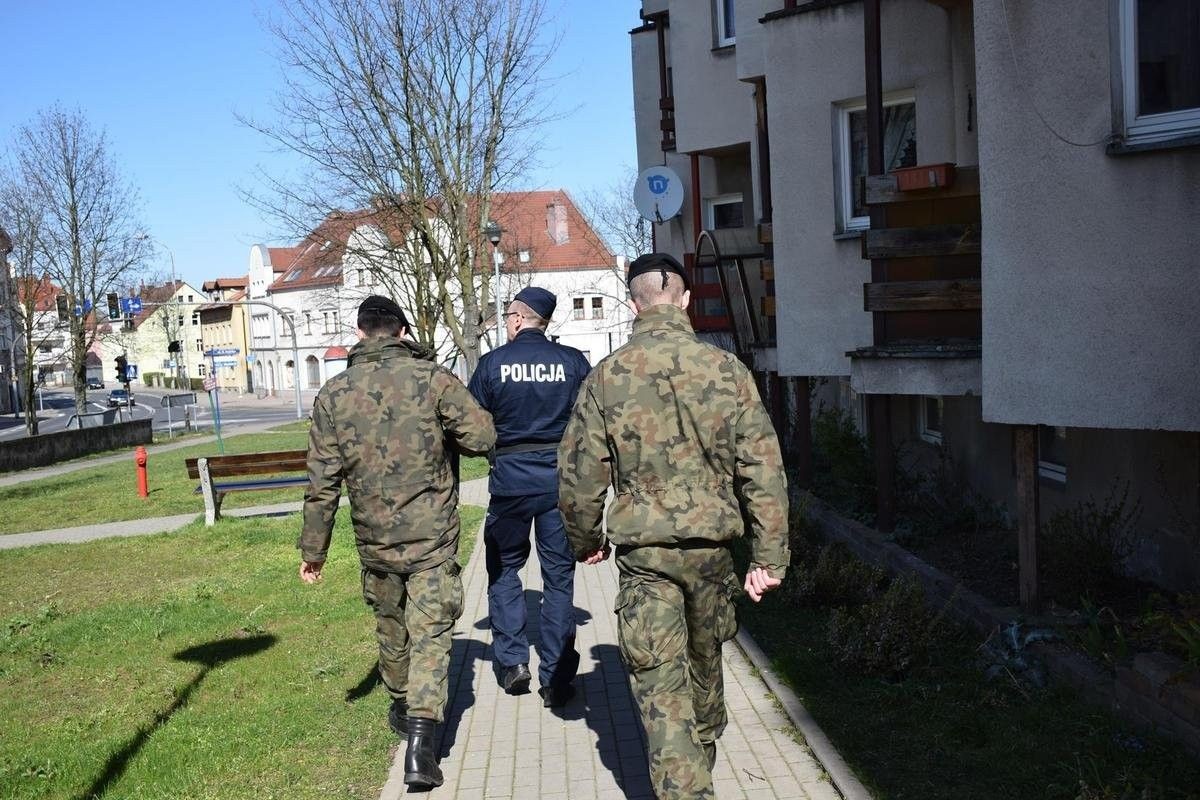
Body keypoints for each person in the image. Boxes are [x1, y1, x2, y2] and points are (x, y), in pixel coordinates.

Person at [557, 253, 790, 799]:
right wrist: (768, 557)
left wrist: (586, 540)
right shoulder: (728, 372)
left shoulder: (607, 377)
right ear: (685, 300)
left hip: (647, 560)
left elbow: (578, 475)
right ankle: (693, 776)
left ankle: (686, 779)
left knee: (664, 690)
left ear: (633, 301)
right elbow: (763, 467)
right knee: (704, 675)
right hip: (712, 557)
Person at [298, 295, 495, 789]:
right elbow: (483, 436)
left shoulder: (334, 394)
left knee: (391, 627)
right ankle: (421, 746)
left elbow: (322, 482)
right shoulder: (433, 379)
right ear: (403, 331)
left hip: (375, 540)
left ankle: (402, 708)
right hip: (431, 537)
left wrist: (313, 552)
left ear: (360, 332)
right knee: (431, 636)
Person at [467, 286, 592, 707]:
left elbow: (471, 425)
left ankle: (513, 662)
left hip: (509, 487)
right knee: (559, 580)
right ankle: (556, 675)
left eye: (507, 316)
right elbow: (591, 423)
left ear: (519, 319)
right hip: (560, 486)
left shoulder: (492, 364)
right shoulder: (573, 363)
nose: (506, 323)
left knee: (504, 572)